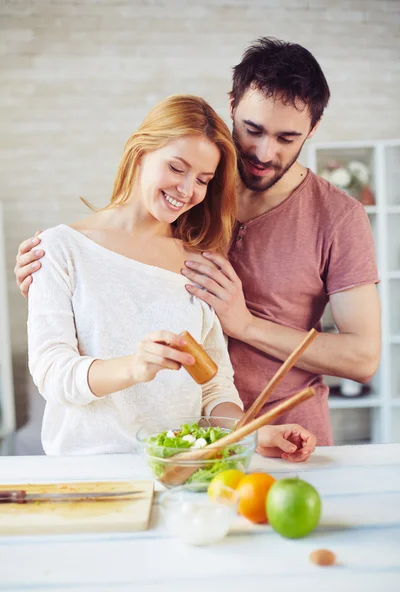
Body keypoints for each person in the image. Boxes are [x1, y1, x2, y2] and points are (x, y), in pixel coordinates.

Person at [15, 38, 381, 447]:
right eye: (253, 130)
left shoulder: (336, 216)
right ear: (232, 106)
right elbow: (105, 265)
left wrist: (245, 326)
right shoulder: (186, 213)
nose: (263, 151)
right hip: (189, 447)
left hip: (277, 427)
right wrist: (51, 270)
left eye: (286, 138)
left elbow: (364, 358)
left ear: (312, 130)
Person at [21, 94, 316, 460]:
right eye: (177, 168)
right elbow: (53, 373)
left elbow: (214, 388)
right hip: (91, 472)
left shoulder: (199, 264)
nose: (188, 190)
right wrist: (134, 366)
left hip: (181, 469)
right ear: (140, 152)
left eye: (203, 179)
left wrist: (253, 433)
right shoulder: (61, 249)